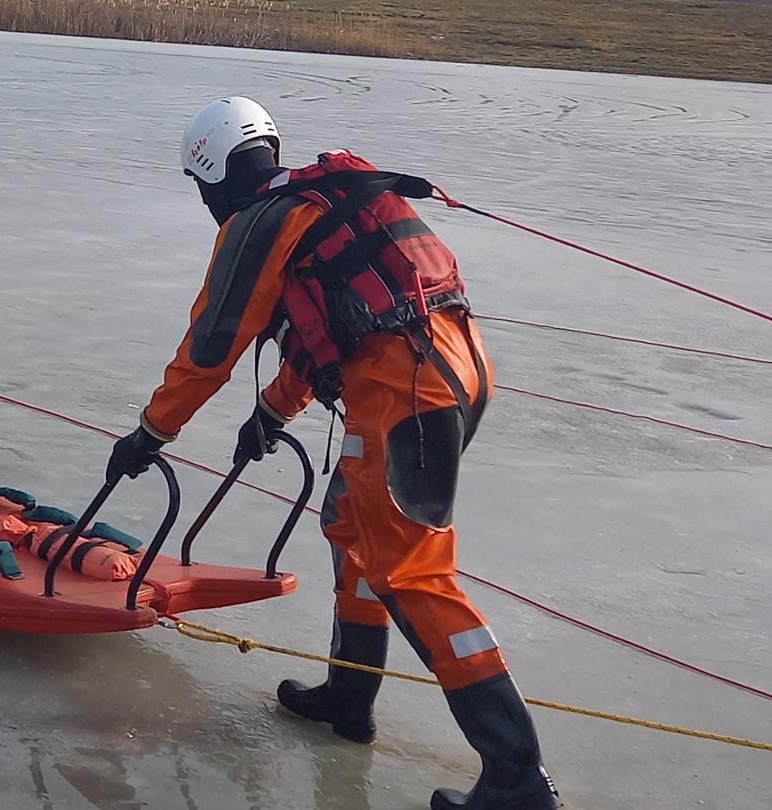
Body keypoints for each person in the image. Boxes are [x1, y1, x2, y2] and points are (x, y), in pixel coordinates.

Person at [104, 96, 558, 810]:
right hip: (446, 374)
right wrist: (273, 411)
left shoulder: (259, 222)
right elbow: (348, 325)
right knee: (350, 525)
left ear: (212, 177)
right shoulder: (314, 204)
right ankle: (350, 696)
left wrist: (150, 434)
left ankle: (515, 774)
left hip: (408, 395)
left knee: (411, 572)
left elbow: (210, 348)